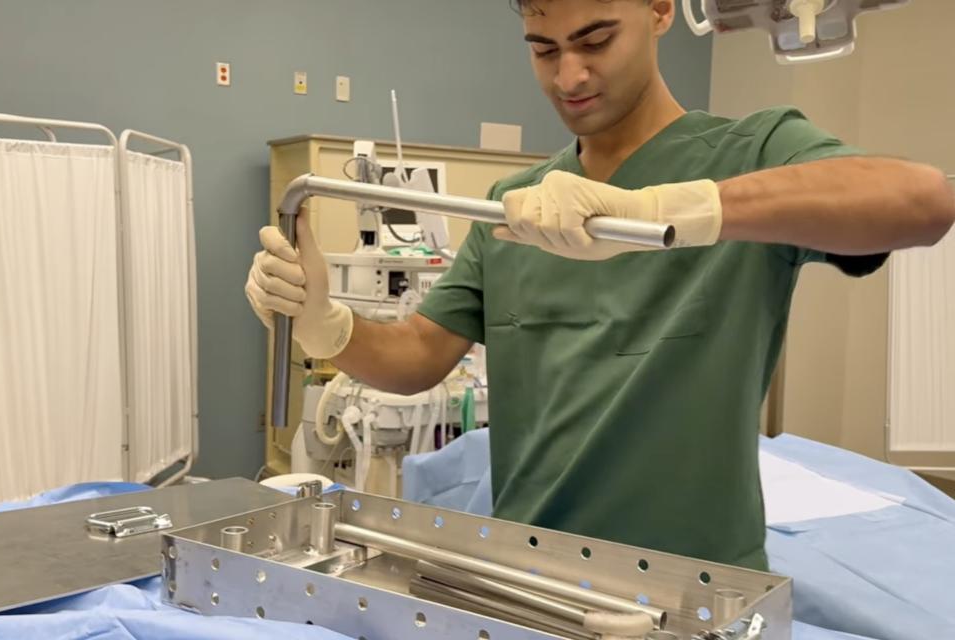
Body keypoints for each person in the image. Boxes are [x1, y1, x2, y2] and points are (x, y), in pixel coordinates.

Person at [245, 0, 954, 570]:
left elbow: (921, 201)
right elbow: (418, 355)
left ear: (661, 9)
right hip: (528, 574)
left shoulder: (751, 153)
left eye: (596, 40)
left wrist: (669, 210)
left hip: (694, 583)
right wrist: (325, 323)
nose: (569, 76)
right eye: (543, 49)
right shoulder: (514, 207)